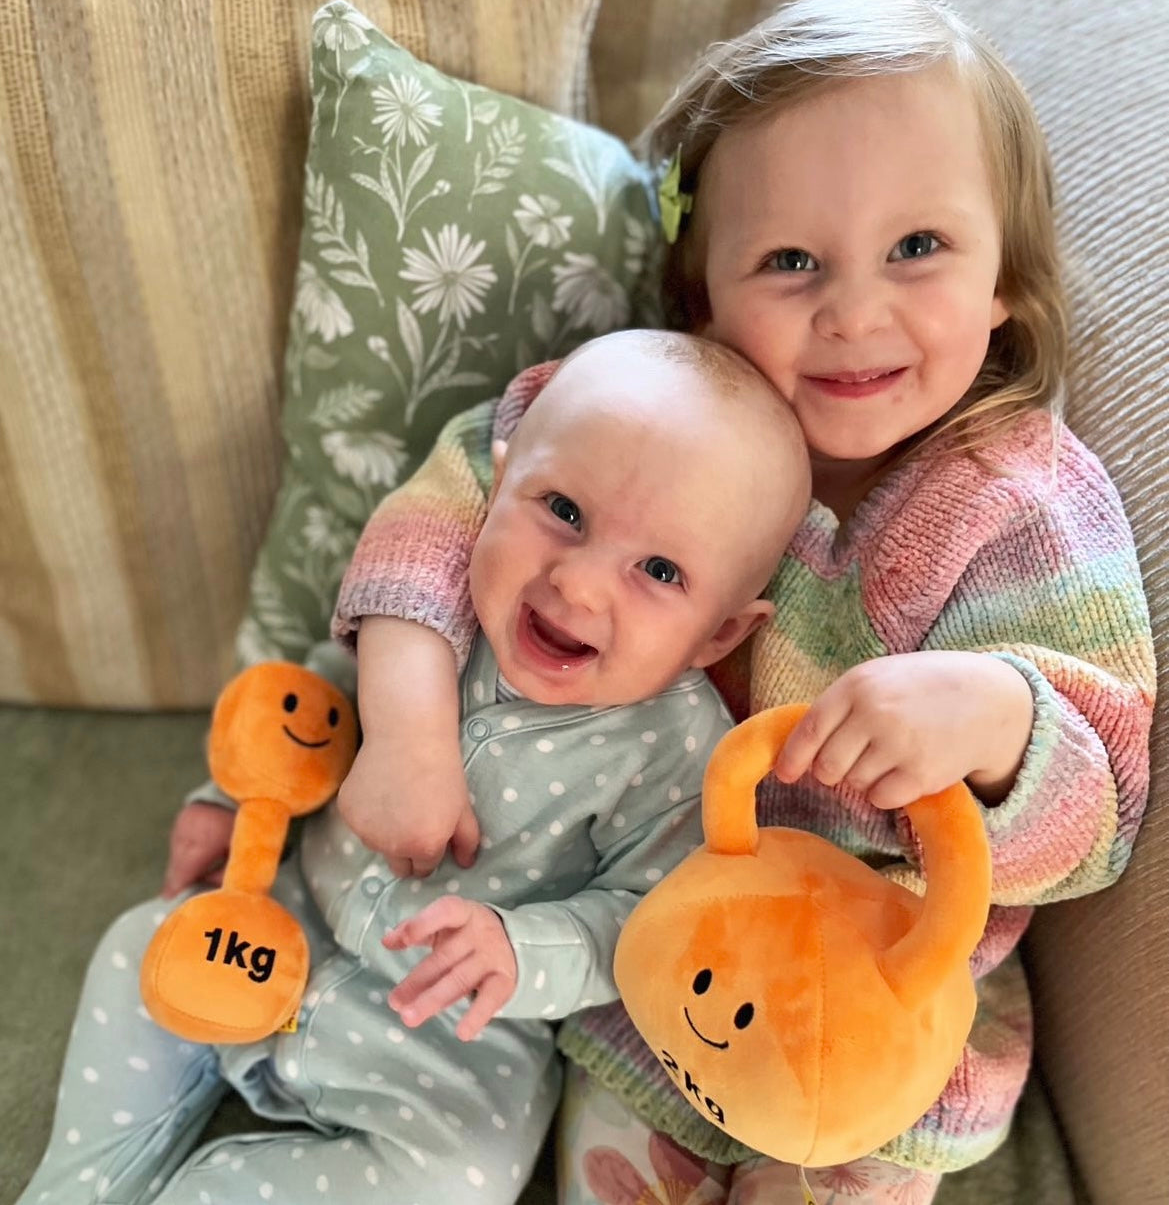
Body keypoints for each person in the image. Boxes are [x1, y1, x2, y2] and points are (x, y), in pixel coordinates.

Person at [323, 0, 1156, 1203]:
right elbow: (456, 500)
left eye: (916, 248)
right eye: (788, 261)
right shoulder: (653, 410)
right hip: (646, 953)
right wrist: (404, 726)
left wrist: (988, 715)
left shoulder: (1020, 503)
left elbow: (1102, 808)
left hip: (874, 1013)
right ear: (700, 290)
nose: (852, 311)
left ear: (1005, 287)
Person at [15, 330, 811, 1205]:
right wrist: (231, 797)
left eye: (658, 571)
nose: (579, 586)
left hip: (449, 1037)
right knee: (141, 946)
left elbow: (647, 924)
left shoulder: (674, 748)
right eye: (563, 512)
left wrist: (520, 948)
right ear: (499, 482)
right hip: (280, 922)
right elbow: (311, 711)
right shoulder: (435, 610)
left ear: (720, 635)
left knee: (460, 1180)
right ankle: (75, 1186)